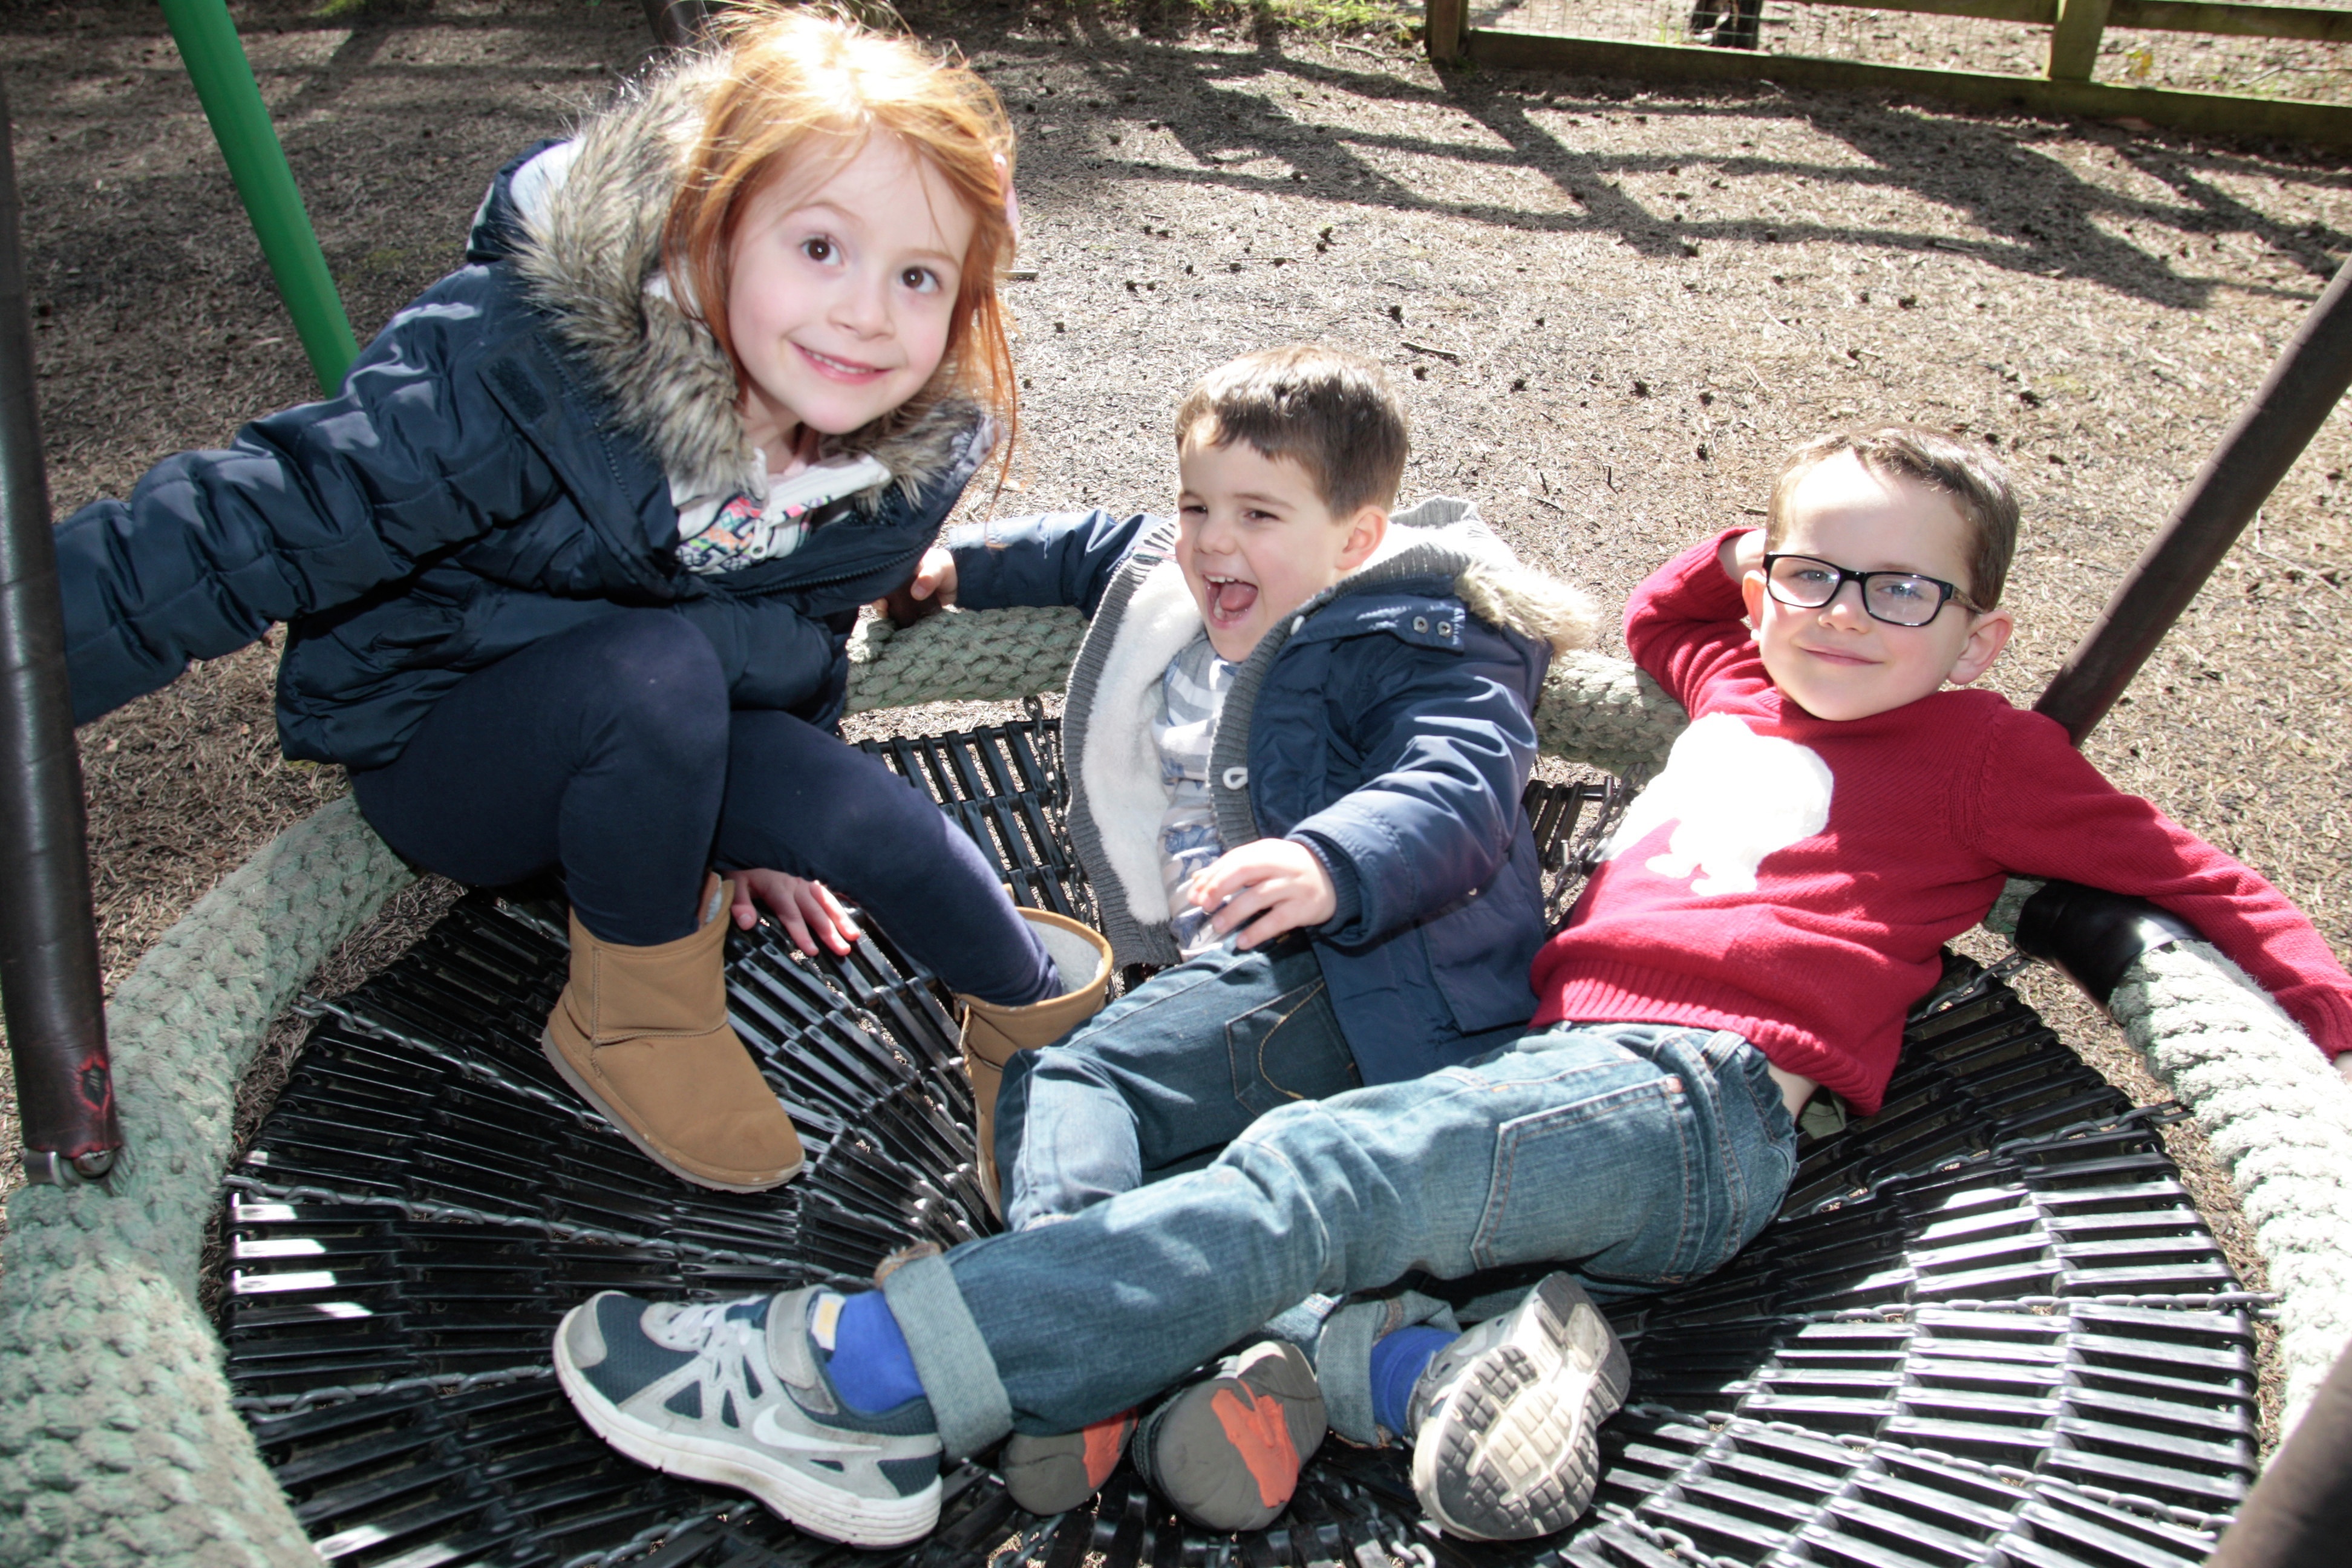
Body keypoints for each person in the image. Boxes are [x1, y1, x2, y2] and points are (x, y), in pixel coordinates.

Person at [550, 427, 2352, 1547]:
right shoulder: (1744, 680)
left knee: (1325, 1173)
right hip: (1553, 1075)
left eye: (1905, 591)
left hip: (1700, 1099)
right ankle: (1377, 1366)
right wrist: (1747, 566)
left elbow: (2206, 884)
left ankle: (860, 1380)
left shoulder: (1987, 753)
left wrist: (2338, 1032)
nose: (1845, 614)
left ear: (1982, 632)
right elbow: (1665, 623)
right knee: (1231, 1149)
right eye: (1812, 571)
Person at [53, 7, 1101, 1195]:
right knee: (654, 674)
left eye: (918, 275)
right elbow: (250, 529)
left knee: (879, 827)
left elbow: (802, 628)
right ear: (710, 227)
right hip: (454, 738)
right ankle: (634, 1017)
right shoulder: (527, 366)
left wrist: (763, 833)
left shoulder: (885, 462)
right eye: (821, 247)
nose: (867, 311)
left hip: (671, 727)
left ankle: (1045, 1043)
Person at [891, 344, 1592, 1527]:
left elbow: (1461, 781)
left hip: (1359, 978)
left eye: (1259, 515)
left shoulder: (1417, 633)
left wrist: (1330, 860)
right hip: (1247, 993)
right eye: (1196, 506)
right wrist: (959, 566)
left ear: (1357, 541)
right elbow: (1090, 549)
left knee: (1072, 1081)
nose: (1214, 542)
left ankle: (1054, 1338)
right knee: (1192, 1190)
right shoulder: (1182, 576)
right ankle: (1335, 1361)